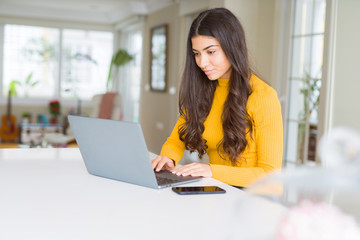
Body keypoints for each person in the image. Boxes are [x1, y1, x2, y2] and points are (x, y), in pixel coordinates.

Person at [151, 8, 283, 187]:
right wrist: (168, 157)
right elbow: (177, 139)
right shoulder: (202, 90)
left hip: (255, 198)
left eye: (211, 52)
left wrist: (211, 170)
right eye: (197, 54)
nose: (202, 63)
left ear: (232, 46)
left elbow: (270, 174)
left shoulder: (264, 96)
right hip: (220, 189)